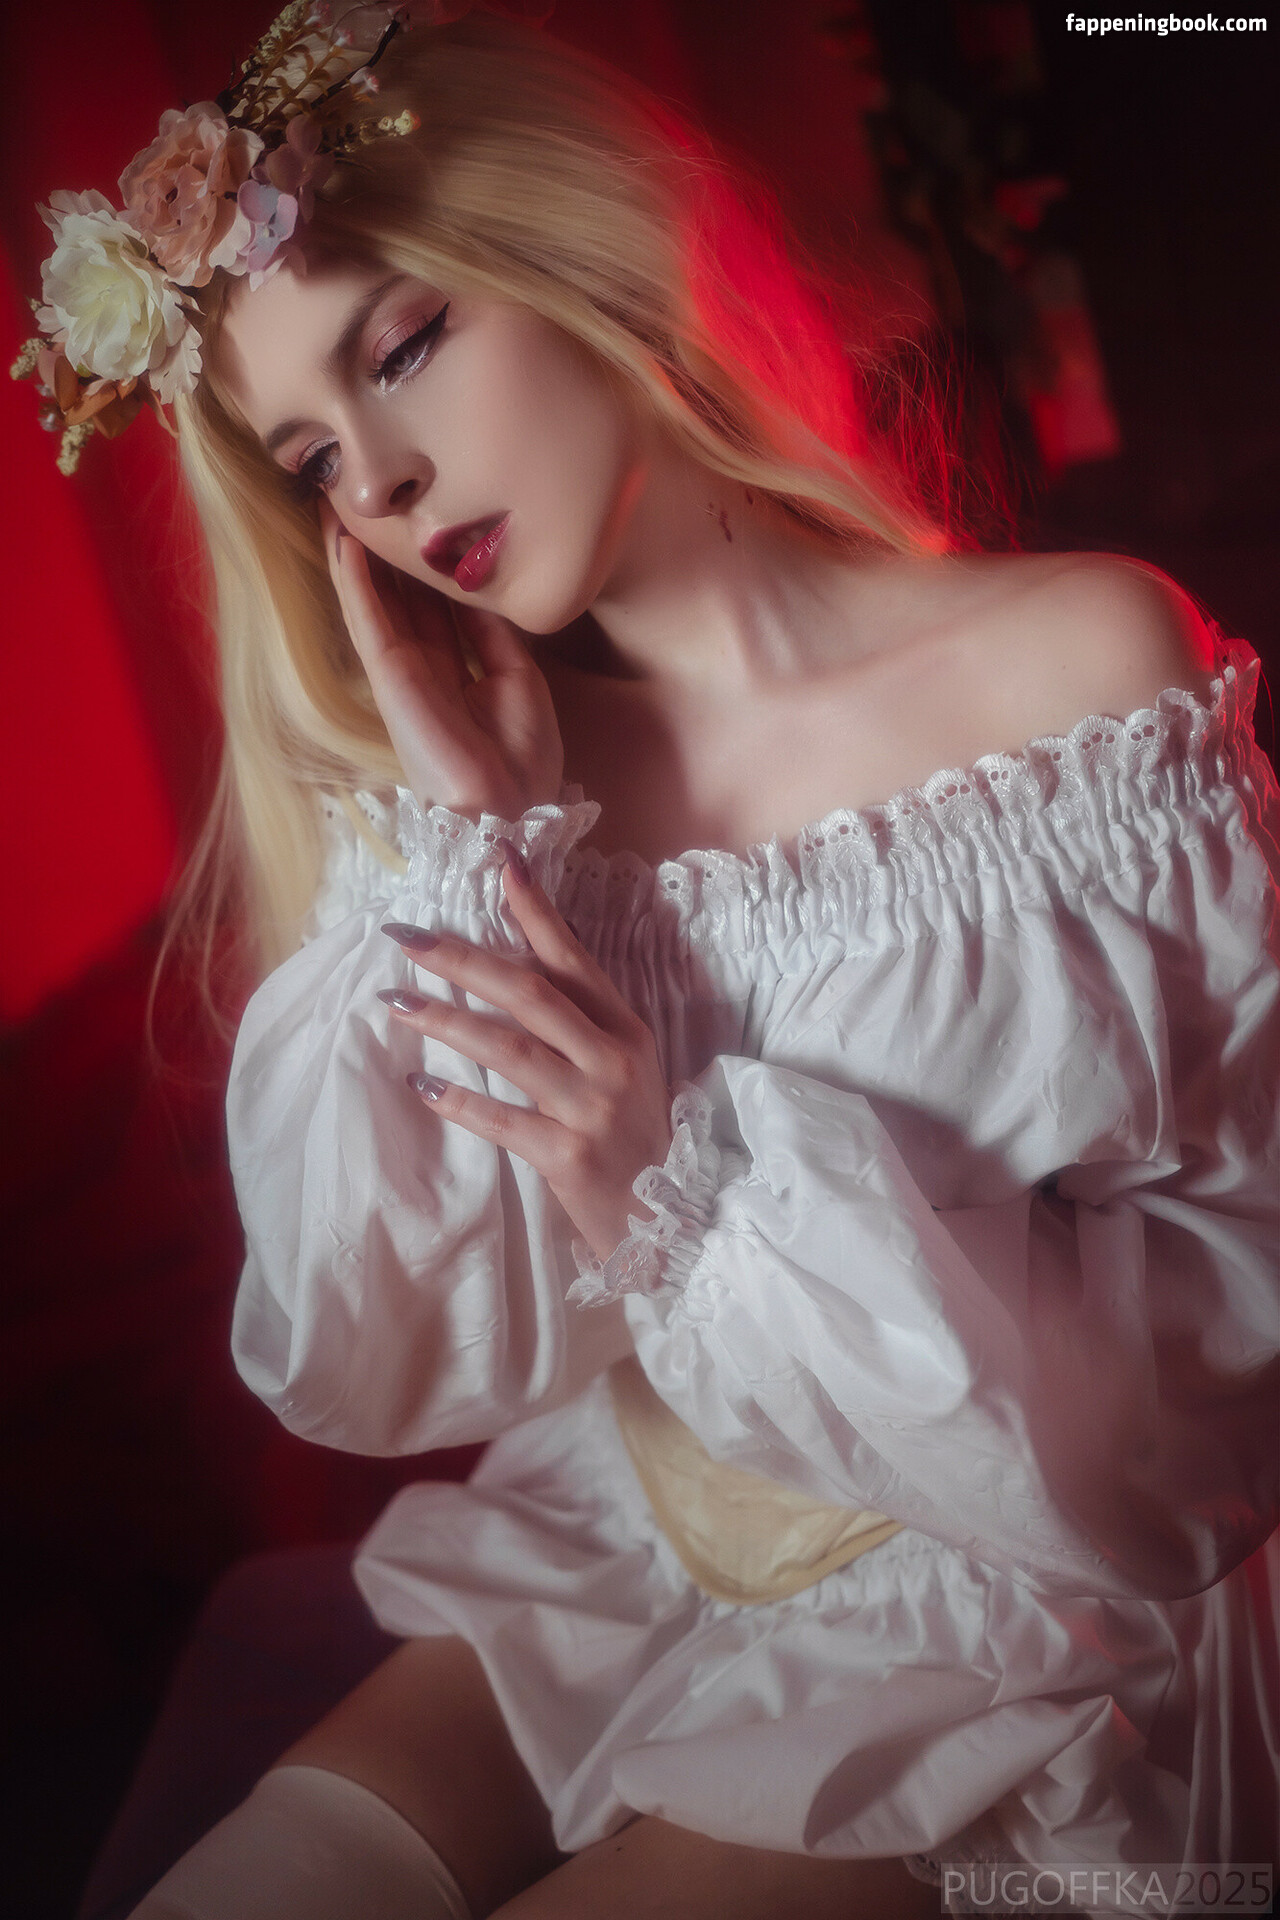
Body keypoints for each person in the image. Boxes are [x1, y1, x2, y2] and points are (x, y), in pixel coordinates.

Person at [20, 5, 1278, 1917]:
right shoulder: (471, 815)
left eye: (403, 347)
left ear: (578, 247)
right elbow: (374, 1346)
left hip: (1027, 1611)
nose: (383, 484)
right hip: (619, 1548)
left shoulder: (1084, 681)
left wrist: (667, 1192)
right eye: (313, 458)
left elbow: (1231, 1332)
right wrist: (477, 837)